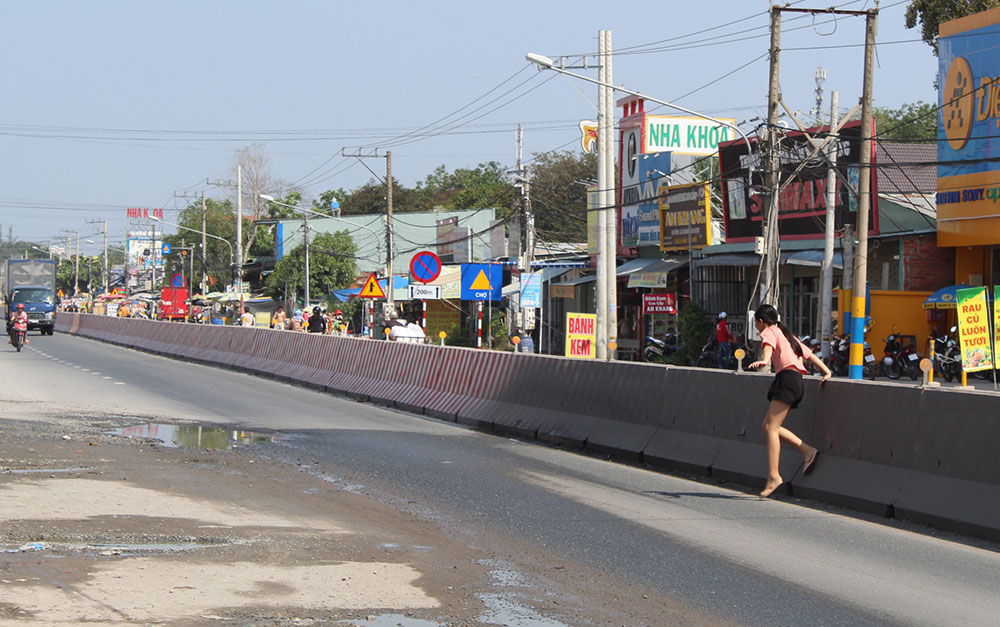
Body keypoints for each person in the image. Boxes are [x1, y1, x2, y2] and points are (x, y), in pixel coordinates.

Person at [748, 304, 832, 498]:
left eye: (756, 324)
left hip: (787, 380)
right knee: (769, 426)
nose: (757, 327)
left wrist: (765, 361)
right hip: (796, 381)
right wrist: (826, 371)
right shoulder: (786, 334)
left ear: (761, 321)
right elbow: (809, 354)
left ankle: (774, 476)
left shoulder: (769, 331)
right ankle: (808, 451)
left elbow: (768, 347)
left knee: (770, 428)